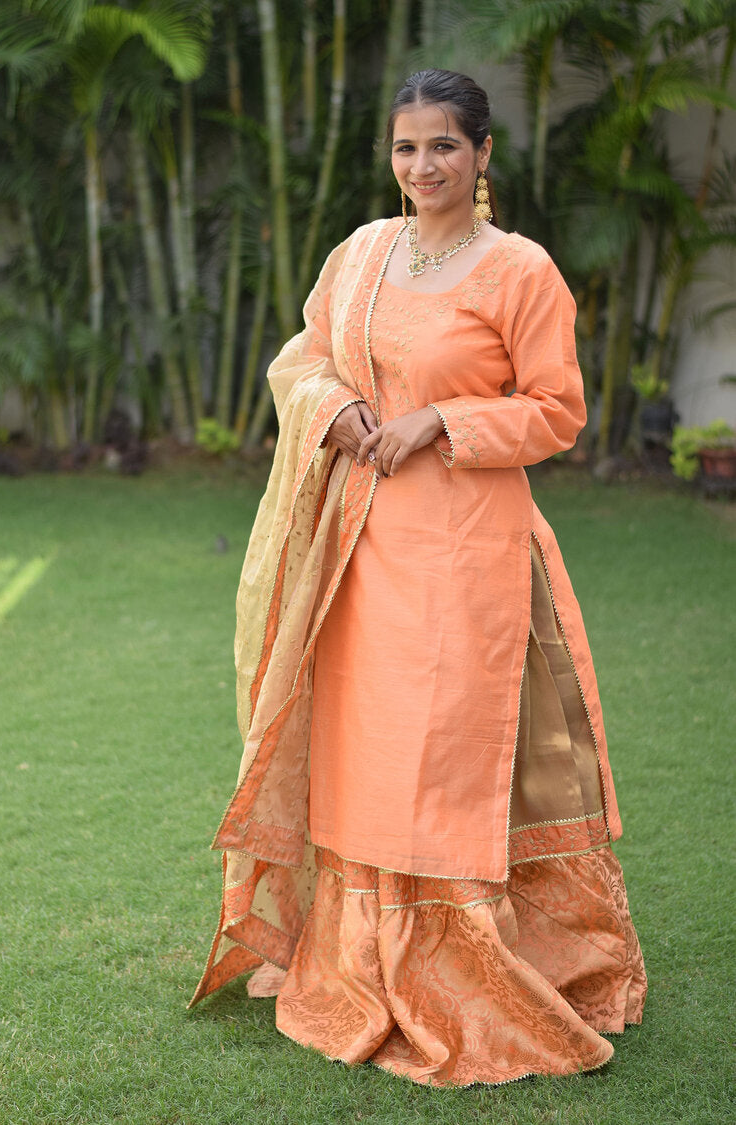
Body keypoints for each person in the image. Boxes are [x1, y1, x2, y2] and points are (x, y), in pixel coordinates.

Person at [189, 69, 647, 1087]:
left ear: (483, 154)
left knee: (440, 753)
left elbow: (556, 411)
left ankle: (460, 959)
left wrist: (444, 419)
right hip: (359, 547)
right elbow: (302, 358)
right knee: (367, 746)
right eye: (406, 148)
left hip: (468, 552)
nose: (422, 166)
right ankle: (361, 956)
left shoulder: (519, 271)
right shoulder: (361, 252)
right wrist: (332, 409)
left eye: (443, 146)